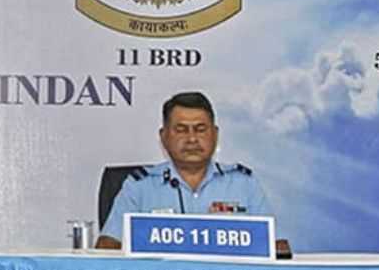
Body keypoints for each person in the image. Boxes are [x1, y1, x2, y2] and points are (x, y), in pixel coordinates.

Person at [97, 91, 272, 249]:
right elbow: (107, 246)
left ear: (215, 134)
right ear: (163, 137)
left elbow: (273, 246)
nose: (192, 139)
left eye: (200, 129)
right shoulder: (139, 187)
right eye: (181, 130)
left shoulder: (244, 184)